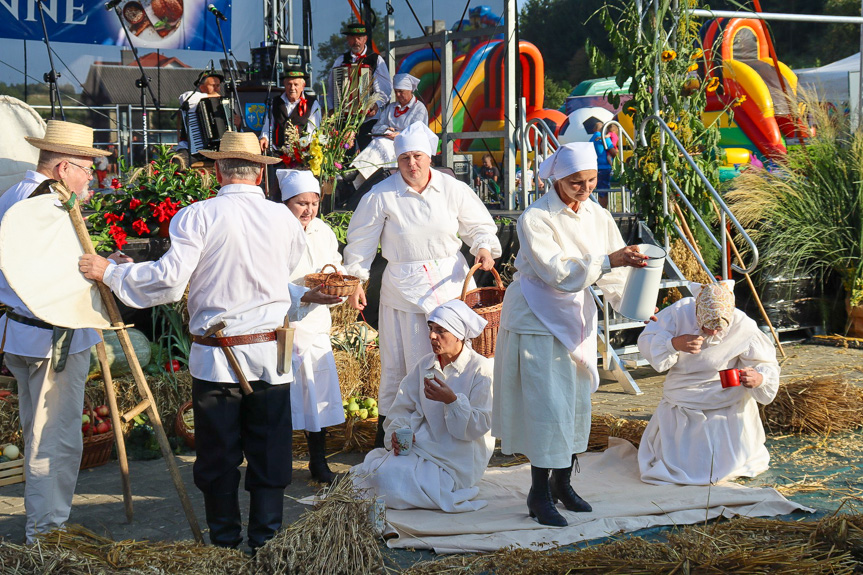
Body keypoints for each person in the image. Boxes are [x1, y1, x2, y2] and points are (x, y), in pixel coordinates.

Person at [78, 132, 340, 551]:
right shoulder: (284, 220)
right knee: (270, 452)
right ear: (260, 172)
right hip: (271, 355)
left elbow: (167, 281)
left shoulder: (197, 215)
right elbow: (280, 276)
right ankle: (265, 541)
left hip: (219, 360)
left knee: (218, 457)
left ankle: (224, 545)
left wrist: (109, 272)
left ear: (218, 169)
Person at [492, 142, 649, 527]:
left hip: (574, 315)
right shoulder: (536, 217)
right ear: (558, 179)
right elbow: (557, 272)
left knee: (575, 402)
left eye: (592, 179)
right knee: (545, 406)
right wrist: (610, 259)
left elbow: (613, 272)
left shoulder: (596, 213)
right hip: (536, 316)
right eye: (576, 181)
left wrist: (642, 309)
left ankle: (563, 483)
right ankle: (538, 492)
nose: (586, 188)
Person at [343, 121, 501, 448]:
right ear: (396, 161)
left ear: (429, 156)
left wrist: (484, 247)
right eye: (404, 159)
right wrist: (357, 279)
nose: (412, 164)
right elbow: (360, 243)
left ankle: (462, 433)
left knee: (457, 361)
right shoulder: (381, 195)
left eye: (417, 156)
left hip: (449, 287)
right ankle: (393, 436)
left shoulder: (452, 189)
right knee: (402, 365)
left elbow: (479, 226)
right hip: (403, 291)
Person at [0, 120, 110, 543]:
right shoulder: (47, 206)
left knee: (38, 433)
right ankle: (46, 534)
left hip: (23, 332)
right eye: (87, 168)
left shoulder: (16, 194)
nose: (91, 178)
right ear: (64, 168)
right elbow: (61, 279)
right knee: (57, 439)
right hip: (51, 337)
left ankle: (42, 524)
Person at [351, 300, 494, 512]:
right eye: (430, 329)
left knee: (393, 484)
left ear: (458, 335)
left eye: (440, 331)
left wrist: (452, 402)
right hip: (423, 446)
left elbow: (480, 426)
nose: (432, 336)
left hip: (457, 456)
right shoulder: (425, 365)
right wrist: (398, 433)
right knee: (379, 474)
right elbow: (402, 407)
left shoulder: (480, 369)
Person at [637, 281, 780, 485]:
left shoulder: (744, 326)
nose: (712, 333)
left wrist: (759, 378)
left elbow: (765, 364)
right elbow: (647, 340)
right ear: (696, 311)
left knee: (730, 463)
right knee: (685, 465)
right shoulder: (679, 313)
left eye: (719, 328)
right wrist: (674, 344)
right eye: (707, 327)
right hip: (684, 394)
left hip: (726, 397)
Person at [278, 169, 346, 484]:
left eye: (313, 203)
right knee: (282, 396)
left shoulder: (322, 231)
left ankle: (318, 464)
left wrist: (345, 288)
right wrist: (303, 296)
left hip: (316, 325)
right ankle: (275, 464)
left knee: (316, 395)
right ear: (285, 202)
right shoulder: (274, 231)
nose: (308, 210)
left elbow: (336, 265)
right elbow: (268, 280)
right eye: (300, 203)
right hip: (284, 326)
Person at [349, 73, 429, 189]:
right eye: (396, 91)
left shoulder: (419, 108)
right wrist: (386, 129)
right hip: (387, 140)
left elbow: (418, 132)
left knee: (380, 143)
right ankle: (359, 178)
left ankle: (356, 172)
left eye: (401, 91)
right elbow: (376, 127)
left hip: (406, 146)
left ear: (410, 90)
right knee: (379, 142)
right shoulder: (391, 107)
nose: (398, 95)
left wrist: (400, 135)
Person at [326, 22, 393, 149]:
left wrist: (376, 104)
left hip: (368, 120)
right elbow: (331, 88)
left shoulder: (375, 59)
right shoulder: (341, 60)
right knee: (344, 155)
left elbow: (386, 88)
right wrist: (331, 109)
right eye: (352, 38)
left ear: (365, 39)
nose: (356, 41)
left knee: (367, 153)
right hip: (345, 119)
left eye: (359, 38)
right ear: (347, 39)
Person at [259, 70, 322, 152]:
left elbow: (313, 133)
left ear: (303, 86)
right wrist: (264, 137)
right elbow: (268, 127)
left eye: (296, 84)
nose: (292, 88)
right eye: (289, 84)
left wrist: (302, 152)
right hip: (277, 153)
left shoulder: (312, 104)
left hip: (301, 154)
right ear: (284, 85)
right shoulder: (275, 102)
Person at [175, 70, 226, 158]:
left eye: (218, 85)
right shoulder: (194, 98)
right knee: (179, 162)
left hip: (218, 151)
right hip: (190, 148)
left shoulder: (225, 103)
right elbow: (185, 98)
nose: (217, 89)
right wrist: (211, 96)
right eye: (213, 85)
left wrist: (238, 122)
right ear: (202, 87)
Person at [589, 121, 617, 208]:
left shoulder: (591, 139)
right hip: (604, 167)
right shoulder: (604, 138)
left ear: (594, 129)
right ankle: (603, 210)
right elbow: (612, 151)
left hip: (594, 167)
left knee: (596, 190)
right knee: (604, 191)